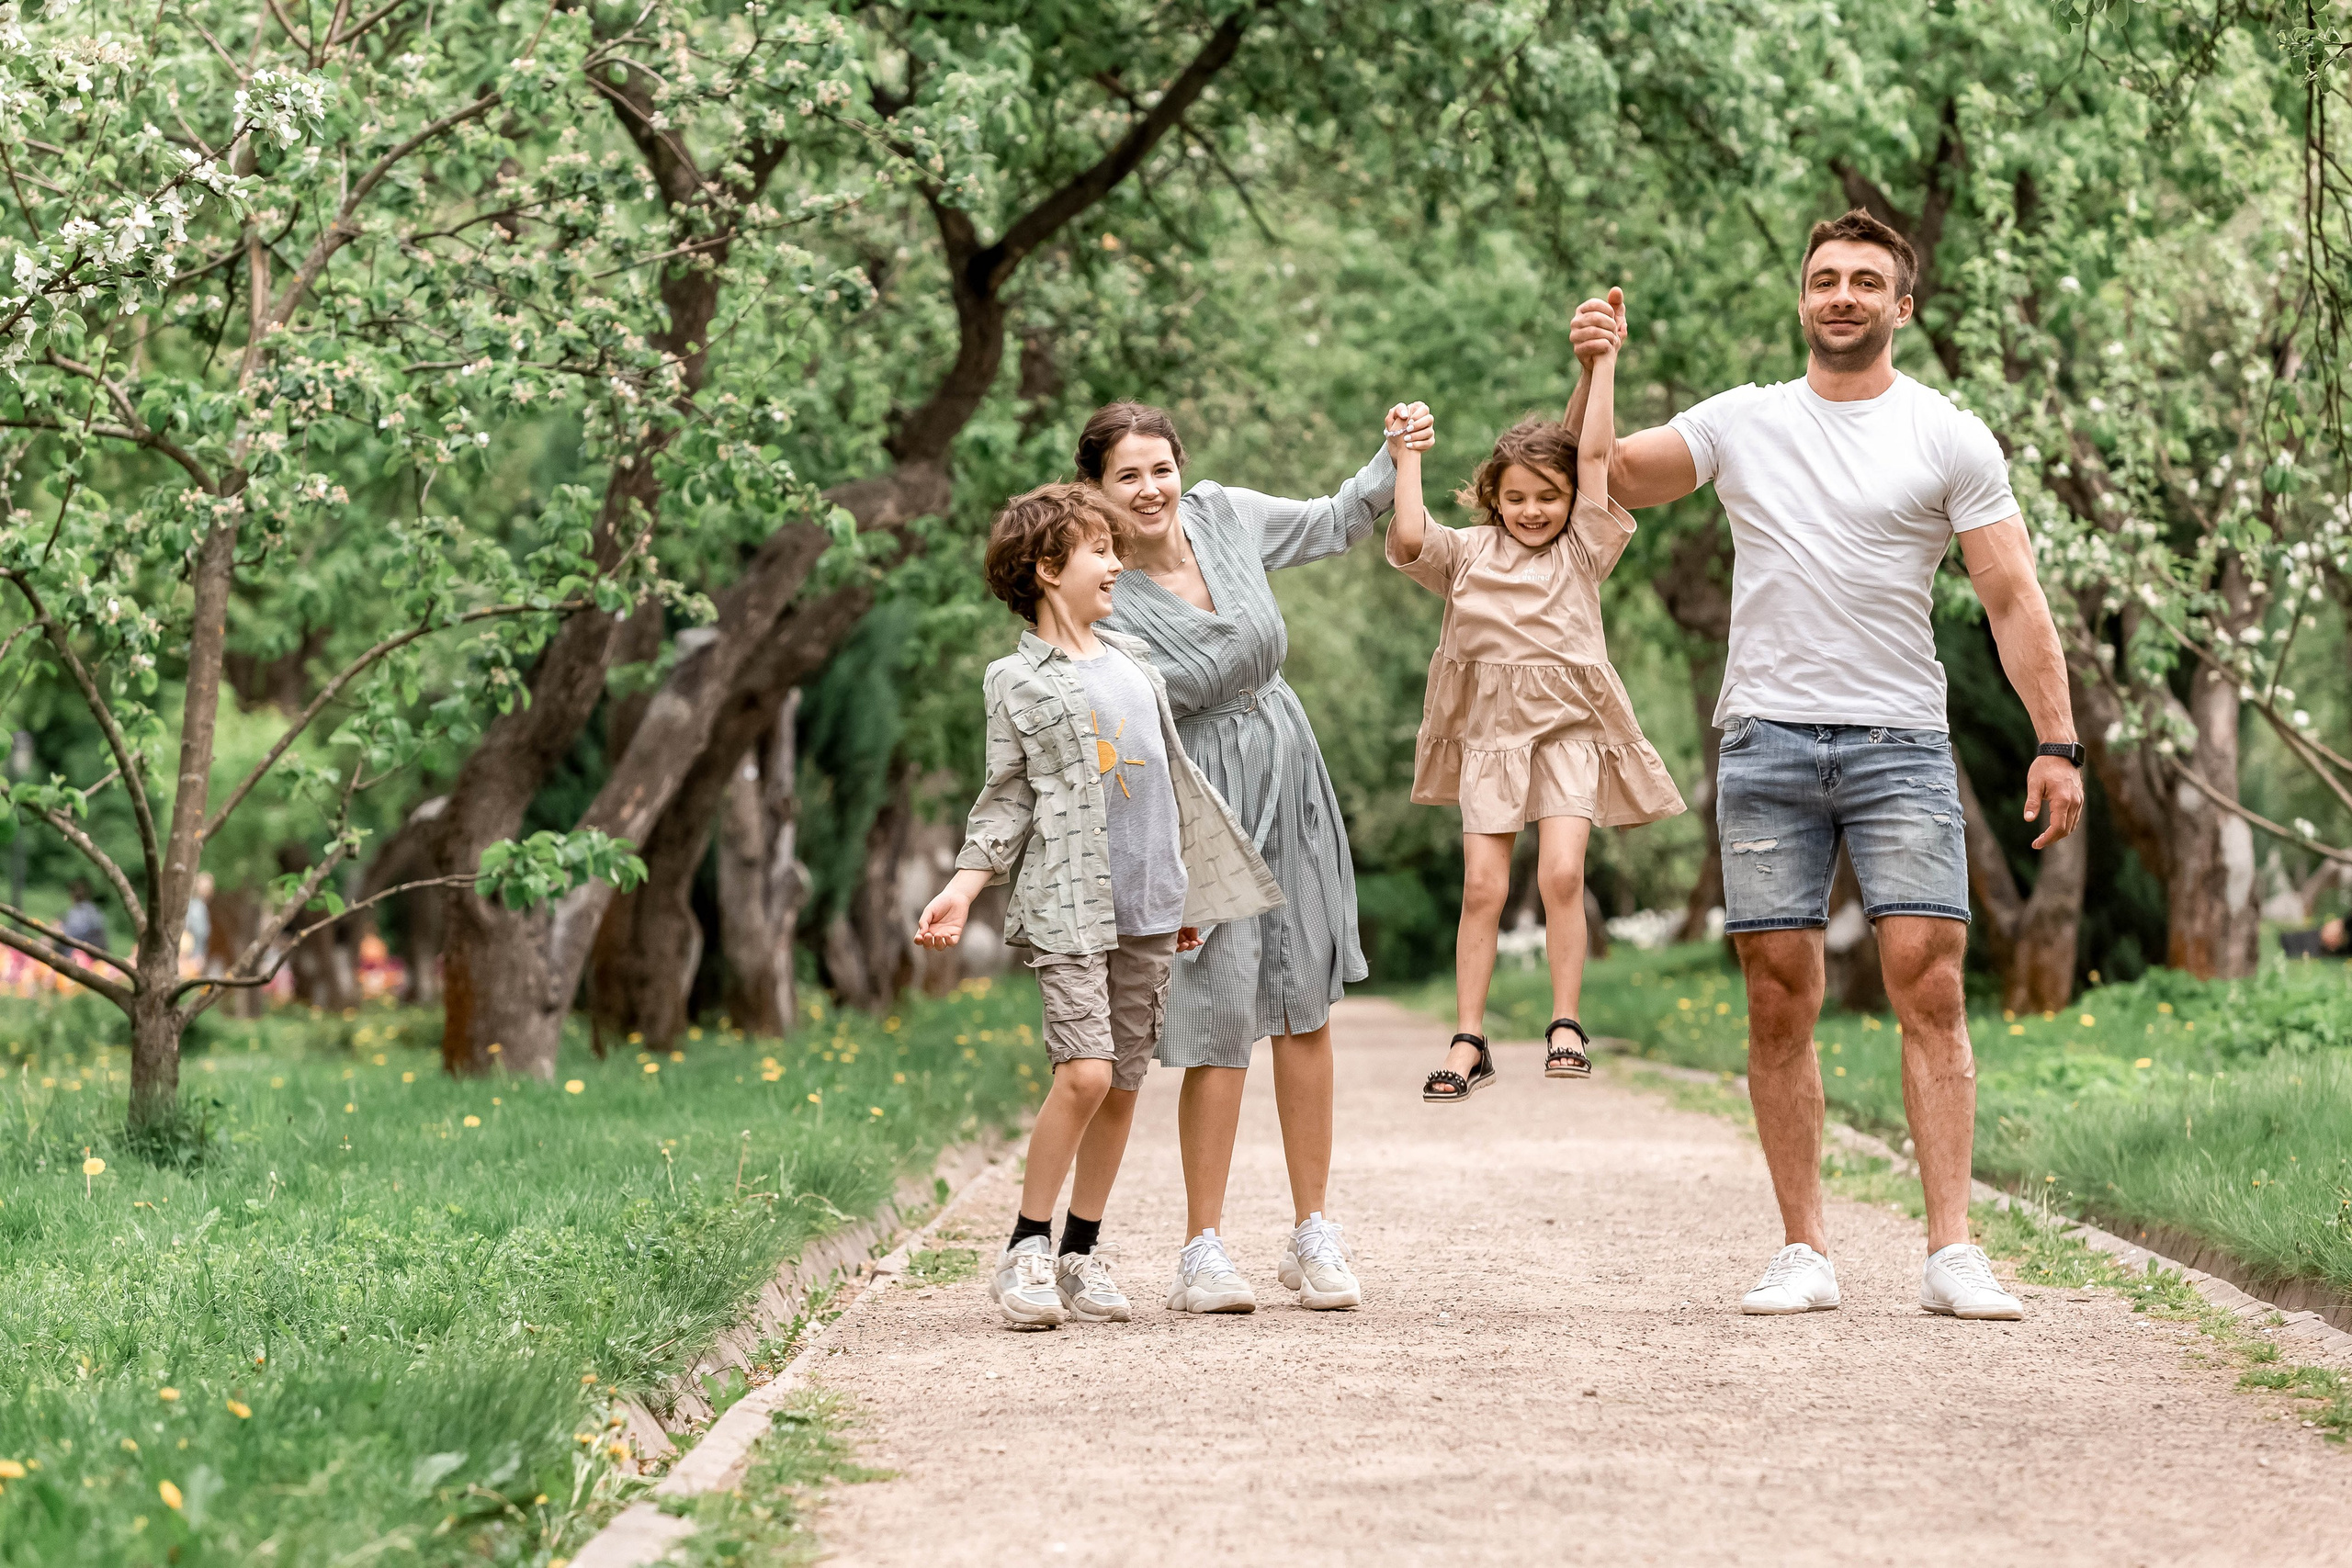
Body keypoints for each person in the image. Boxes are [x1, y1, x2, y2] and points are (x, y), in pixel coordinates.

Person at [1566, 209, 2086, 1322]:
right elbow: (1599, 481)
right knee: (1775, 999)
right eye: (1823, 280)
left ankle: (1950, 1248)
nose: (1840, 296)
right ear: (1801, 300)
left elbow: (2010, 596)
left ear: (1902, 306)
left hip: (1900, 741)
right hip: (1765, 742)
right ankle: (1803, 1248)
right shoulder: (1742, 422)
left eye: (1864, 281)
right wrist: (1598, 371)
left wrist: (2055, 740)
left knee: (1929, 979)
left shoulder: (1948, 435)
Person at [1086, 397, 1431, 1313]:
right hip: (1195, 801)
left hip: (1289, 771)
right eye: (1128, 476)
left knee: (1304, 1002)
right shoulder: (1101, 593)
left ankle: (1312, 1233)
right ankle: (1202, 1248)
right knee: (1216, 1016)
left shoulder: (1222, 513)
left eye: (1160, 467)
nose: (1151, 489)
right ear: (1098, 491)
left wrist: (1391, 452)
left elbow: (1330, 521)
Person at [917, 484, 1282, 1330]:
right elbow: (1005, 800)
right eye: (1099, 552)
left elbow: (1173, 791)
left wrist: (1186, 888)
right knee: (1081, 1073)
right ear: (1049, 569)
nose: (1118, 563)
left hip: (1151, 908)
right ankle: (1025, 1246)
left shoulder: (1136, 667)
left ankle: (1082, 1251)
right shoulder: (1015, 681)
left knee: (1120, 1082)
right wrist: (964, 885)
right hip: (1071, 908)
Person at [1387, 336, 1683, 1103]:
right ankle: (1469, 1035)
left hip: (1569, 733)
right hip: (1491, 739)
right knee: (1482, 887)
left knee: (1560, 873)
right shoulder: (1467, 554)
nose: (1532, 510)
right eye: (1516, 496)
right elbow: (1410, 537)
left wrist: (1602, 364)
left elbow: (1594, 457)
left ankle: (1565, 1022)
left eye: (1547, 496)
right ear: (1493, 494)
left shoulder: (1584, 548)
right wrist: (1406, 455)